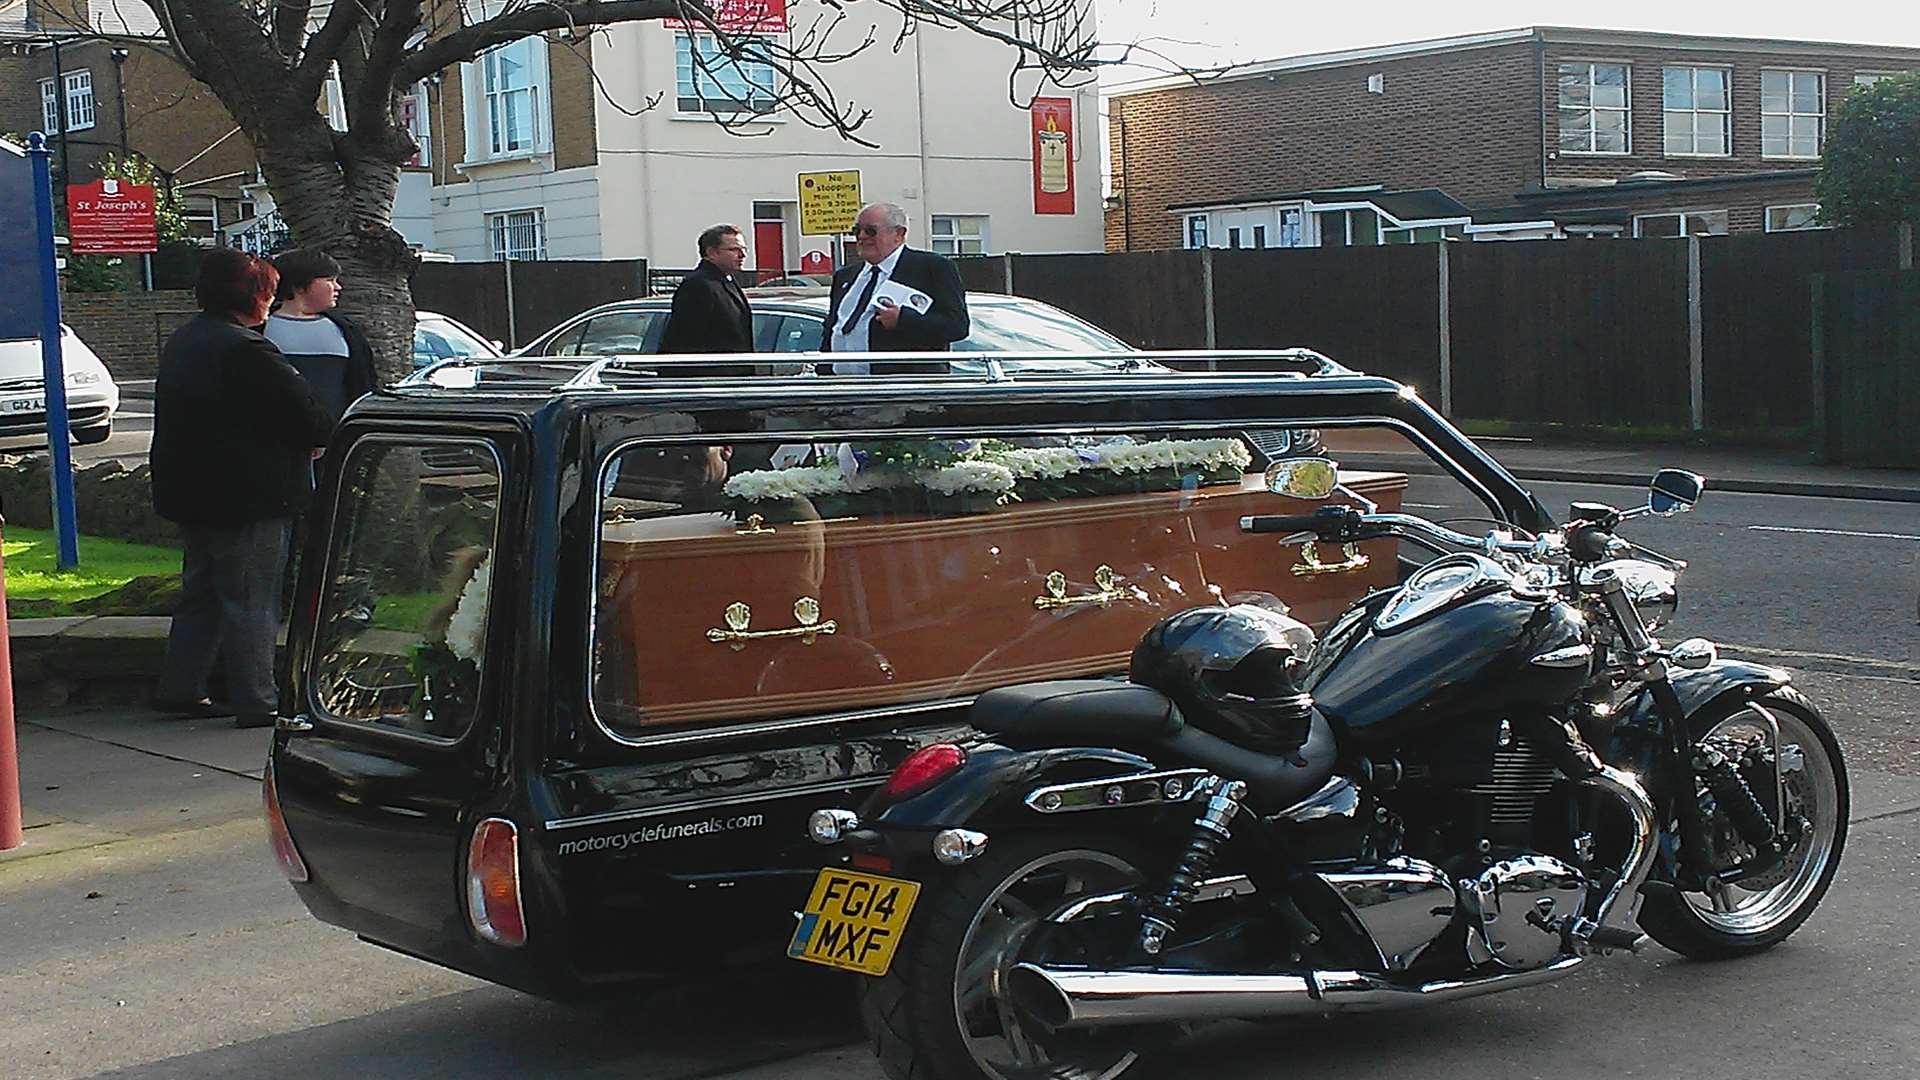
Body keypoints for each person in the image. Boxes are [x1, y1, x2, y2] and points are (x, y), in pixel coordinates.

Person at [149, 248, 333, 729]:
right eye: (268, 292)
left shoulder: (186, 339)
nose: (271, 302)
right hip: (249, 493)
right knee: (252, 597)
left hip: (192, 489)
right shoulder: (247, 349)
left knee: (204, 592)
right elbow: (306, 414)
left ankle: (182, 686)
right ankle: (258, 698)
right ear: (253, 295)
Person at [821, 202, 969, 375]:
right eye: (856, 231)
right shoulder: (846, 276)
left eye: (871, 231)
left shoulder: (931, 268)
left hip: (902, 389)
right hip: (844, 389)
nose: (861, 237)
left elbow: (957, 326)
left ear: (899, 234)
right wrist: (824, 371)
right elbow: (834, 327)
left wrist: (903, 320)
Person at [263, 248, 378, 425]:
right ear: (300, 286)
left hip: (338, 438)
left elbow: (362, 384)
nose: (338, 287)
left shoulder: (346, 330)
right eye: (329, 280)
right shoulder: (261, 329)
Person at [658, 224, 756, 373]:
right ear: (712, 252)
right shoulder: (698, 285)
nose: (742, 255)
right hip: (710, 381)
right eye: (734, 250)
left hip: (733, 378)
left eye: (744, 249)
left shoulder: (726, 280)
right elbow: (685, 338)